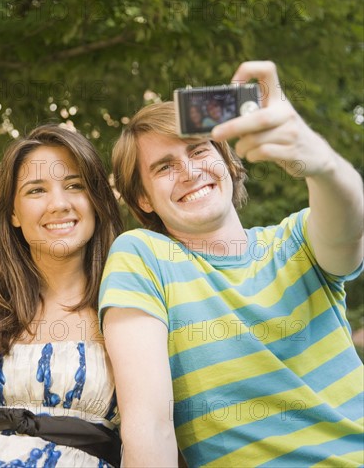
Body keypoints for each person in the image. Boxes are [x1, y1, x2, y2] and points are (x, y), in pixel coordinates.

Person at [98, 61, 364, 467]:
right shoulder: (144, 258)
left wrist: (321, 163)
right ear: (144, 201)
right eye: (164, 167)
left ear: (228, 162)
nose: (189, 172)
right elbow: (149, 427)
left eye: (198, 150)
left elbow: (349, 228)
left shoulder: (296, 240)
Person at [0, 124, 123, 467]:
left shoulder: (128, 307)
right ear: (12, 213)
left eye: (74, 185)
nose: (59, 204)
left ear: (96, 201)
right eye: (36, 190)